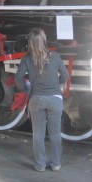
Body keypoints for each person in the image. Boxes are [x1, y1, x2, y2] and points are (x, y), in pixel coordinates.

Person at [16, 28, 68, 172]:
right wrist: (56, 84)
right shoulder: (55, 56)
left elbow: (18, 78)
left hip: (36, 99)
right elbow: (65, 75)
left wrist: (25, 89)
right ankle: (56, 163)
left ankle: (40, 165)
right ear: (44, 40)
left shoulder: (26, 58)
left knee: (38, 133)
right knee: (55, 133)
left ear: (30, 43)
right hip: (55, 99)